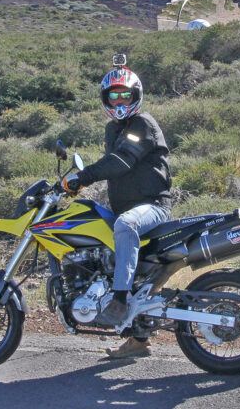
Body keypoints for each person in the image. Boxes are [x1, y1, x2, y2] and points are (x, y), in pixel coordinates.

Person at [62, 63, 172, 358]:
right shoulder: (114, 128)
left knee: (125, 225)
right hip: (127, 207)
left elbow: (122, 161)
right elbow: (112, 163)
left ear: (136, 95)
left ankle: (120, 300)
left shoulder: (142, 124)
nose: (120, 101)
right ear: (106, 99)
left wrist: (83, 177)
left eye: (125, 95)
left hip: (152, 207)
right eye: (114, 96)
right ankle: (137, 341)